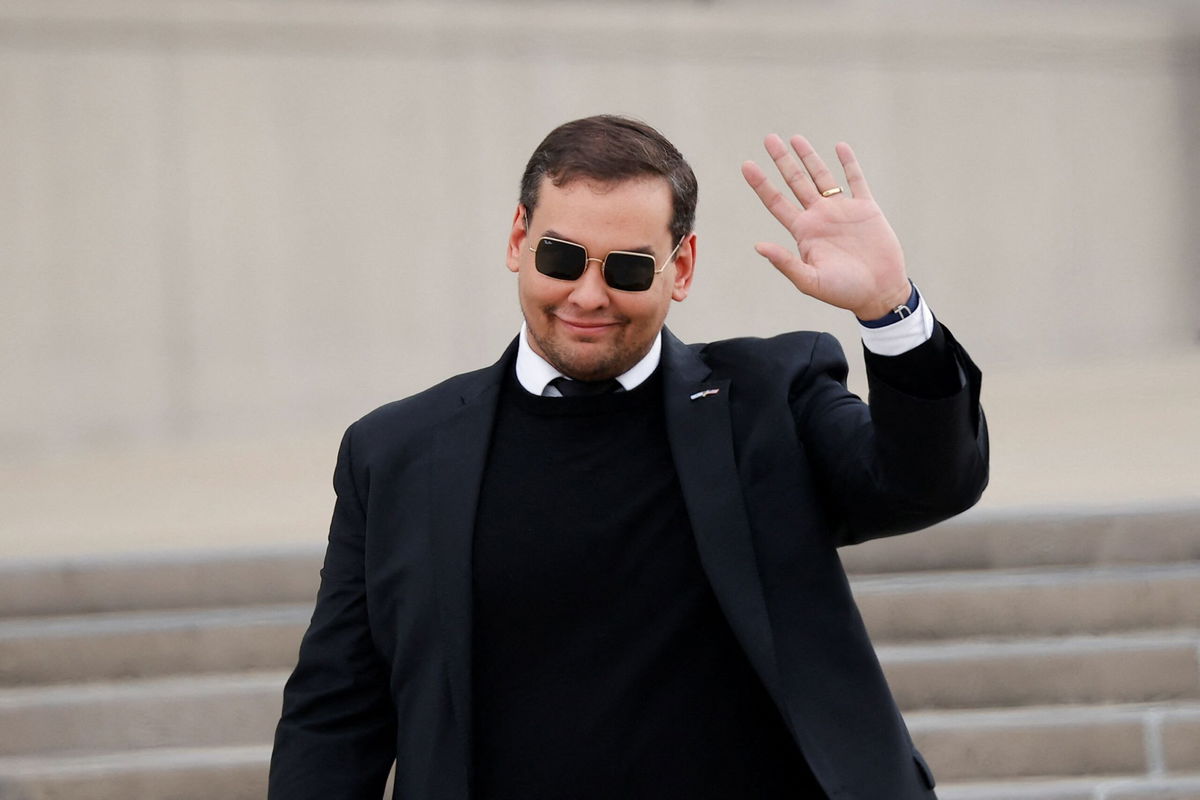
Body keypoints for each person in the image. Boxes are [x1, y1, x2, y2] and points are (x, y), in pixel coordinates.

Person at [268, 114, 988, 800]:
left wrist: (891, 310)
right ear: (519, 239)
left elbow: (925, 482)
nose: (588, 294)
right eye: (561, 257)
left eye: (628, 269)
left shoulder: (771, 400)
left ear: (682, 268)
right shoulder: (395, 453)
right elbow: (336, 712)